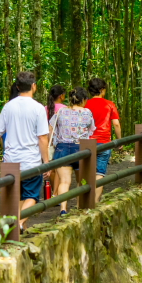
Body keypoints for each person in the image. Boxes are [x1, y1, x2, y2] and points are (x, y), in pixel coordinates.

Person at [0, 71, 50, 231]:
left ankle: (17, 229)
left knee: (17, 197)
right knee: (32, 197)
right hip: (31, 161)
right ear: (34, 86)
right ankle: (19, 223)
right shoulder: (38, 108)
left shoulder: (8, 107)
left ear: (17, 87)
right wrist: (46, 162)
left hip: (11, 161)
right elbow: (42, 138)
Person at [48, 87, 95, 215]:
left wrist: (54, 141)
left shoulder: (61, 111)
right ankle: (80, 207)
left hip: (62, 148)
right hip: (81, 148)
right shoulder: (87, 112)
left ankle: (63, 209)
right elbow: (91, 130)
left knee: (64, 181)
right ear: (84, 99)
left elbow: (51, 128)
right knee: (81, 181)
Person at [86, 78, 121, 202]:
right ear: (101, 90)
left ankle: (86, 201)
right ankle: (95, 201)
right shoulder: (109, 104)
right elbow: (116, 124)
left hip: (87, 142)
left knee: (87, 172)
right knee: (99, 173)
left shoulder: (85, 104)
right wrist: (119, 141)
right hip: (104, 142)